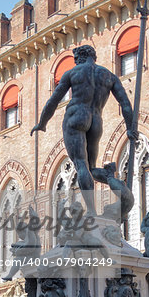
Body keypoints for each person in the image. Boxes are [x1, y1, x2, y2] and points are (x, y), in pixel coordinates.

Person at [31, 45, 137, 216]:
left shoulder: (73, 73)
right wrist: (130, 128)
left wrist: (42, 123)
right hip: (96, 121)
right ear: (93, 56)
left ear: (78, 57)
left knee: (81, 164)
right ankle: (111, 178)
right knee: (92, 168)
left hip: (76, 117)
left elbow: (53, 100)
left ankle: (92, 212)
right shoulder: (108, 76)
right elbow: (125, 104)